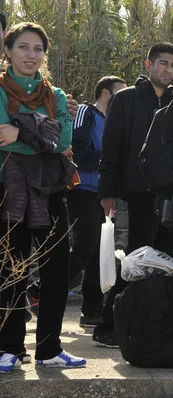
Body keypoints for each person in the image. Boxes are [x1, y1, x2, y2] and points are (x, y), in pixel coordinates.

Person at [0, 22, 86, 373]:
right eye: (23, 47)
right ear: (8, 51)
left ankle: (49, 348)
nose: (31, 55)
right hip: (9, 190)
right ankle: (8, 348)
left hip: (51, 190)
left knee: (56, 270)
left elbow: (63, 140)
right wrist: (41, 133)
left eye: (37, 48)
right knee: (11, 268)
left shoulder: (57, 95)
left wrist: (19, 128)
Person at [96, 42, 173, 348]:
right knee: (136, 256)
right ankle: (109, 322)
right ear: (148, 65)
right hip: (139, 190)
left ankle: (155, 321)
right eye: (163, 63)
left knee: (167, 259)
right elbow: (111, 146)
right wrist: (107, 192)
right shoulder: (127, 98)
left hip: (172, 193)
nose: (169, 70)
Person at [68, 76, 126, 328]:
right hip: (82, 189)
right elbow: (78, 154)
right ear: (105, 93)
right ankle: (42, 287)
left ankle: (91, 311)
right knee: (86, 246)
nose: (124, 100)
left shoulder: (114, 122)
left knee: (96, 253)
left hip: (104, 194)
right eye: (119, 94)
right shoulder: (85, 112)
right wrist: (111, 155)